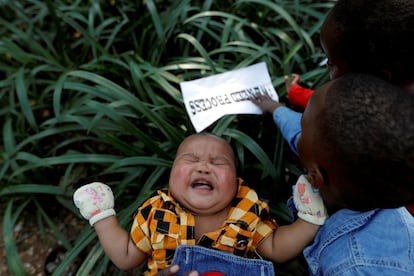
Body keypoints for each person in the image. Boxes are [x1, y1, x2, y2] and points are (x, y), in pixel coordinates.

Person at [73, 132, 326, 275]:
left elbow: (275, 248)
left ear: (237, 182)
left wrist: (308, 222)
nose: (204, 167)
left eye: (218, 163)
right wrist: (103, 217)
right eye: (191, 160)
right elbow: (127, 256)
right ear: (171, 176)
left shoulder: (247, 210)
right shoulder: (156, 212)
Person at [251, 0, 414, 156]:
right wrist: (296, 93)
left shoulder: (361, 136)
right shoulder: (391, 90)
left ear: (377, 78)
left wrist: (276, 109)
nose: (326, 65)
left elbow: (307, 143)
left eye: (332, 61)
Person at [298, 73, 414, 274]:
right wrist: (276, 109)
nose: (299, 131)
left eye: (302, 128)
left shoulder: (354, 268)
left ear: (316, 177)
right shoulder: (383, 186)